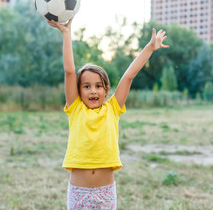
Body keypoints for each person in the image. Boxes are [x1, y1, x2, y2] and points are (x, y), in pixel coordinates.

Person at [47, 18, 168, 209]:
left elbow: (128, 76)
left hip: (106, 192)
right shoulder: (75, 108)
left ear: (106, 90)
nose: (93, 91)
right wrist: (66, 34)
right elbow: (69, 71)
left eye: (98, 86)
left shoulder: (112, 108)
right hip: (79, 192)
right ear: (78, 91)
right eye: (86, 86)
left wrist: (150, 48)